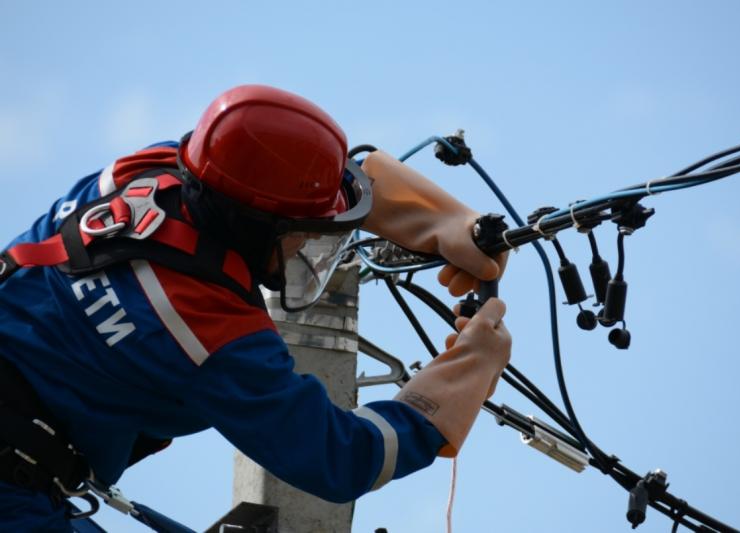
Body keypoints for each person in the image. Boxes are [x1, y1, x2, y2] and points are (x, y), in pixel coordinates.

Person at [0, 84, 511, 531]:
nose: (308, 248)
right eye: (303, 235)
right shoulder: (204, 326)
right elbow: (340, 457)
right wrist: (462, 376)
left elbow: (267, 159)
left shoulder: (156, 170)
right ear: (252, 228)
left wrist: (442, 218)